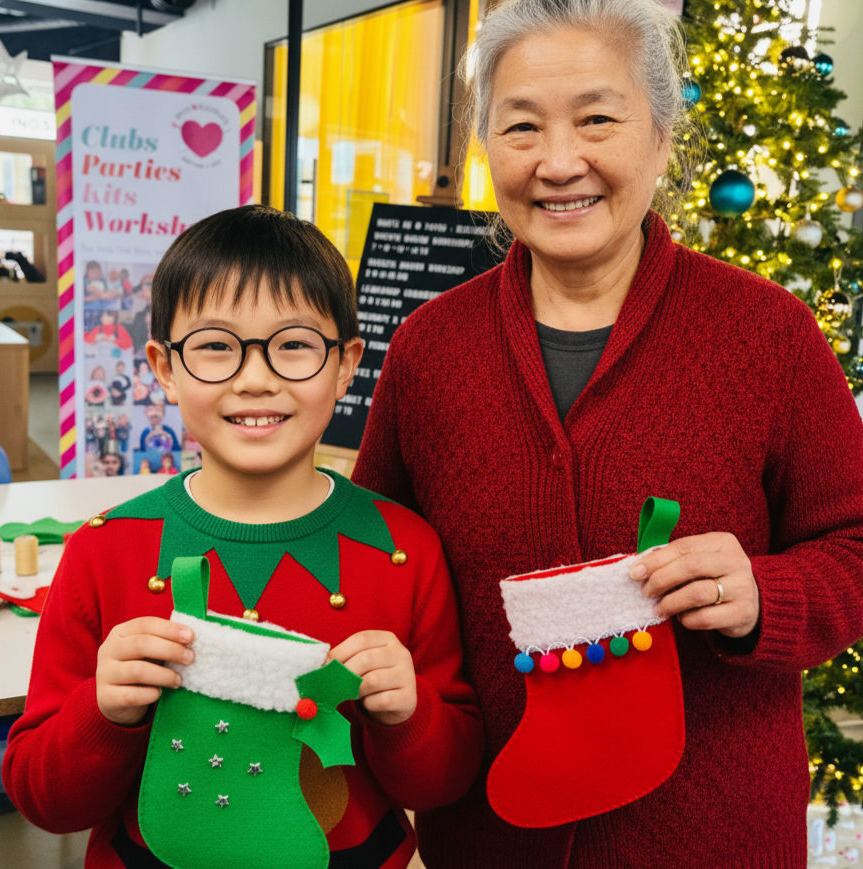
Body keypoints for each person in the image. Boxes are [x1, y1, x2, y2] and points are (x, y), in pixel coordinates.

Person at [351, 0, 863, 865]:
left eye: (596, 119)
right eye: (520, 126)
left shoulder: (766, 334)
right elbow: (375, 558)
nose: (558, 163)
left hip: (710, 835)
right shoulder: (430, 348)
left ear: (661, 137)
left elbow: (851, 543)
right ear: (486, 148)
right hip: (490, 833)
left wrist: (764, 595)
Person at [3, 204, 482, 869]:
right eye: (215, 347)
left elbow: (444, 784)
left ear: (345, 365)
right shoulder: (104, 550)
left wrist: (410, 713)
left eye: (293, 345)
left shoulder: (405, 550)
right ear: (164, 368)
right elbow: (43, 800)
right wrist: (104, 711)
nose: (255, 378)